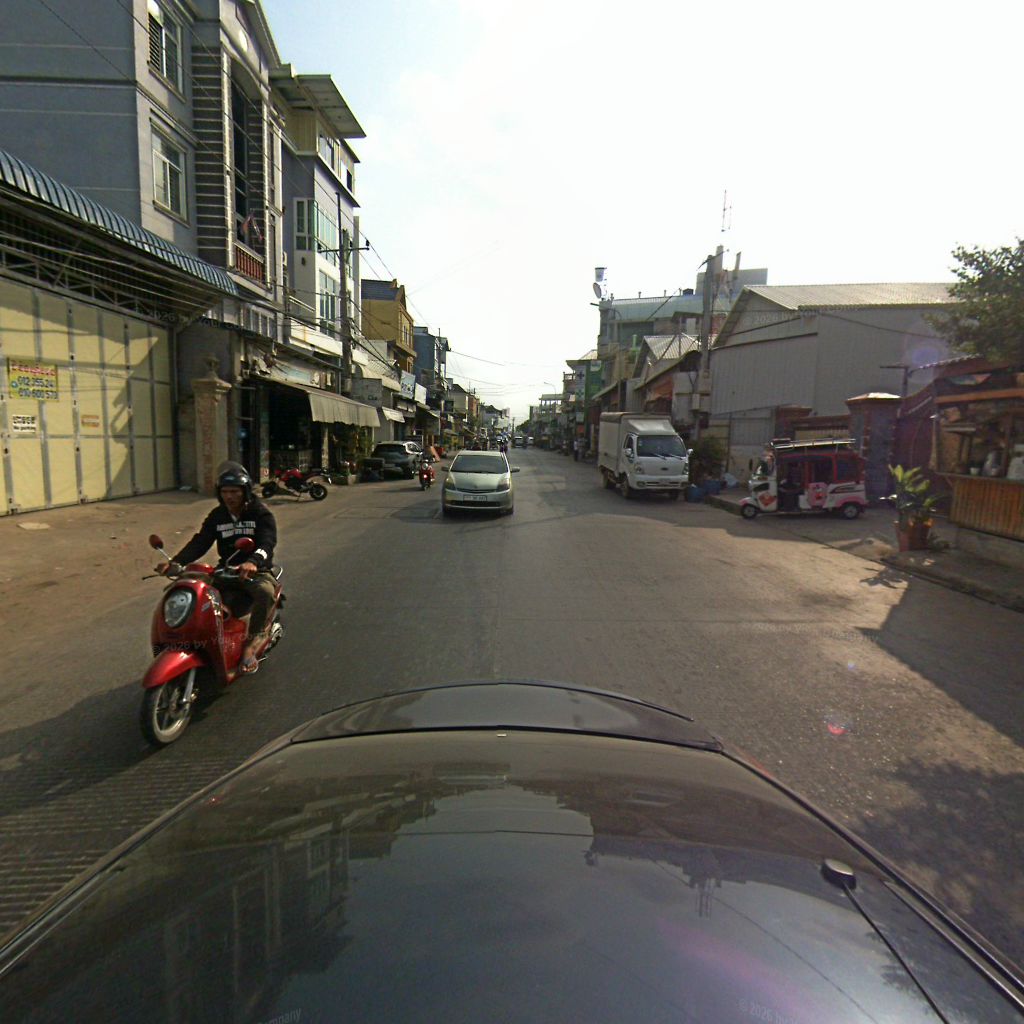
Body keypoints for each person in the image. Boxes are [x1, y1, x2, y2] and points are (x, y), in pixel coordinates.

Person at [155, 463, 278, 675]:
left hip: (256, 571)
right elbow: (201, 541)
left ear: (245, 492)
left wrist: (253, 561)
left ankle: (252, 642)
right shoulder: (217, 516)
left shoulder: (260, 514)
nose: (229, 496)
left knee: (265, 592)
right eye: (225, 492)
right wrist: (176, 562)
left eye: (235, 492)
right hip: (226, 570)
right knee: (188, 588)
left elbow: (267, 543)